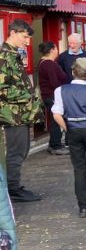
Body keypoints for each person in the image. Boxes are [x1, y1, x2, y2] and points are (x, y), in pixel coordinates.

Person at [51, 58, 86, 217]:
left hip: (73, 129)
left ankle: (84, 206)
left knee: (79, 167)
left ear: (72, 73)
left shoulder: (60, 90)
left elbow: (56, 114)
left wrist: (66, 128)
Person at [0, 20, 45, 203]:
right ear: (13, 32)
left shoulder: (13, 55)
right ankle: (13, 189)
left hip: (21, 114)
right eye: (25, 37)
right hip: (13, 115)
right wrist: (29, 97)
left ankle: (14, 186)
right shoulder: (4, 57)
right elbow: (2, 89)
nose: (27, 42)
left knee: (22, 150)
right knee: (16, 152)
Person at [37, 42, 70, 155]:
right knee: (56, 120)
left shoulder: (44, 62)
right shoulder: (49, 64)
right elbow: (54, 82)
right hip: (53, 96)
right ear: (52, 50)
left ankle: (54, 144)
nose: (57, 50)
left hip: (49, 95)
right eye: (56, 48)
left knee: (55, 119)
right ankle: (55, 146)